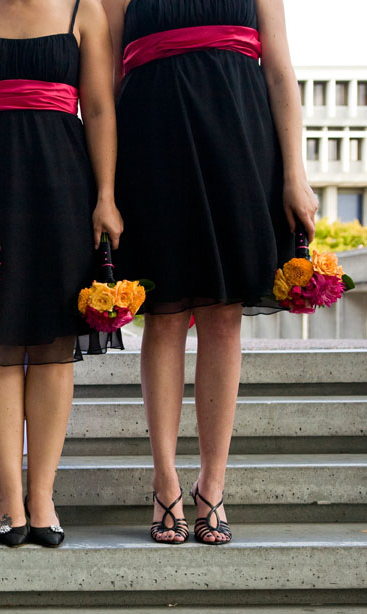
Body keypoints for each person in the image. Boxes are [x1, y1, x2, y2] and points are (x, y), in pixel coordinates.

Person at [103, 0, 317, 544]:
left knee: (223, 317)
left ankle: (213, 484)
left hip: (240, 143)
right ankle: (166, 479)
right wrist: (101, 188)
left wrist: (295, 173)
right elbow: (102, 86)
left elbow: (280, 70)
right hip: (151, 148)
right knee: (166, 316)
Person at [0, 0, 122, 547]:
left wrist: (107, 196)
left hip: (63, 180)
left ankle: (42, 492)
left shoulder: (82, 11)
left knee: (53, 342)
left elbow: (97, 108)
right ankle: (9, 494)